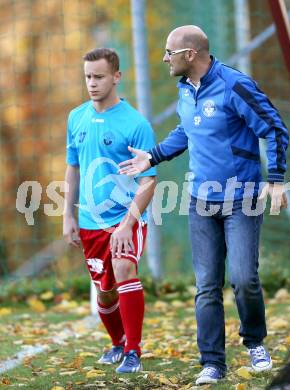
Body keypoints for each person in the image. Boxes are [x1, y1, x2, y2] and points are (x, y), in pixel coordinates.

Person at [119, 25, 289, 385]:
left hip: (241, 199)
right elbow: (187, 130)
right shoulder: (184, 89)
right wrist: (152, 157)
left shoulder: (234, 85)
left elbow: (273, 129)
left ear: (190, 54)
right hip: (200, 202)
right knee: (207, 286)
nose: (165, 58)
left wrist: (275, 181)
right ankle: (212, 362)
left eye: (170, 52)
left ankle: (255, 341)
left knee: (244, 279)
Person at [63, 48, 157, 374]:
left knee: (123, 269)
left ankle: (133, 350)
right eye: (88, 77)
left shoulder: (136, 124)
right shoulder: (76, 118)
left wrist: (128, 223)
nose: (92, 83)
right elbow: (73, 169)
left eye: (99, 76)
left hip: (126, 218)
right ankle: (118, 342)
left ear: (116, 77)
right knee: (104, 293)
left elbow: (149, 181)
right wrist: (68, 215)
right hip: (90, 221)